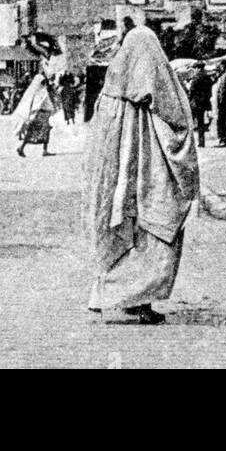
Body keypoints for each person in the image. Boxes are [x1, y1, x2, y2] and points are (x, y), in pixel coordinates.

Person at [83, 25, 199, 325]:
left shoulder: (108, 94)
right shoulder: (152, 78)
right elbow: (175, 115)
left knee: (124, 228)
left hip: (118, 184)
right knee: (154, 227)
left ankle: (110, 295)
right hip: (149, 172)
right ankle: (139, 300)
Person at [185, 62, 213, 148]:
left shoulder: (196, 78)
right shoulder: (208, 78)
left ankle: (188, 143)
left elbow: (191, 91)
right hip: (203, 103)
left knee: (189, 122)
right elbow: (209, 92)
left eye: (195, 68)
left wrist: (188, 99)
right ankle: (201, 142)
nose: (194, 70)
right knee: (201, 123)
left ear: (198, 68)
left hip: (195, 103)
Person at [212, 60, 226, 147]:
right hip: (224, 103)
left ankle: (224, 139)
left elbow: (222, 91)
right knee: (223, 122)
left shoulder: (224, 77)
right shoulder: (223, 76)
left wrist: (221, 102)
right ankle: (225, 139)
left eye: (220, 67)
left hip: (223, 103)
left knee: (222, 122)